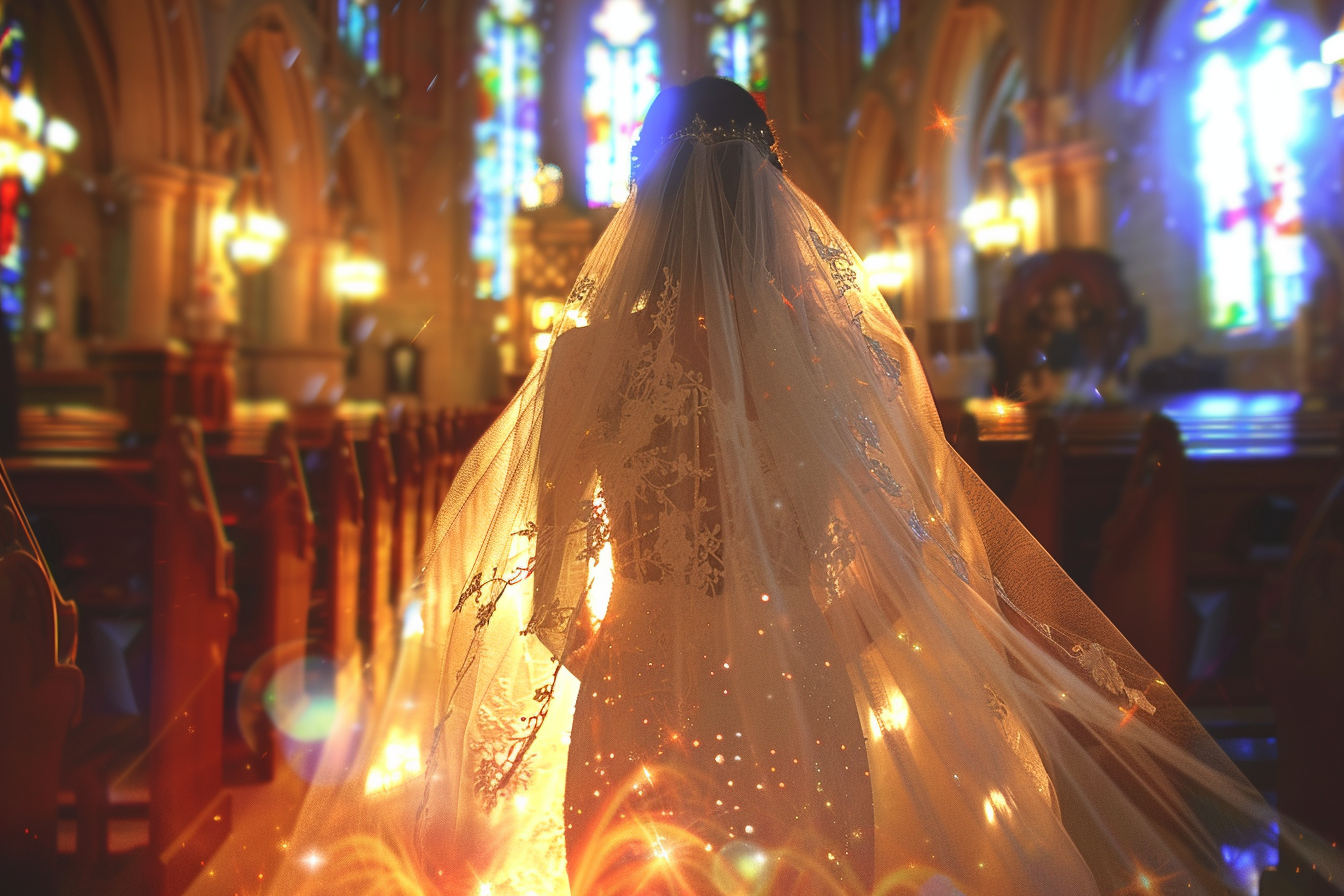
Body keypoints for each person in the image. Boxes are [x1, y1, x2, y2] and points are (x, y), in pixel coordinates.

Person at [273, 78, 1336, 895]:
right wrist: (796, 636)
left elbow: (553, 610)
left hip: (637, 685)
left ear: (643, 193)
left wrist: (648, 639)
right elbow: (900, 576)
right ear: (774, 197)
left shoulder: (589, 360)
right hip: (802, 684)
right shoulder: (854, 362)